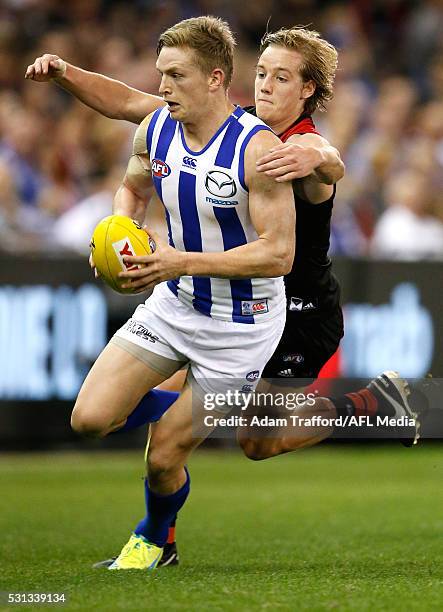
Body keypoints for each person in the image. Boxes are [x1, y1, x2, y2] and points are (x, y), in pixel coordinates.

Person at [26, 25, 421, 570]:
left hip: (295, 309)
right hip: (198, 296)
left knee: (257, 441)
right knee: (132, 420)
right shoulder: (214, 121)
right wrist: (67, 73)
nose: (265, 86)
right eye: (261, 73)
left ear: (307, 90)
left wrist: (322, 160)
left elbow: (328, 158)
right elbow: (128, 104)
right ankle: (167, 516)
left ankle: (375, 406)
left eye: (282, 78)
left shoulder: (294, 145)